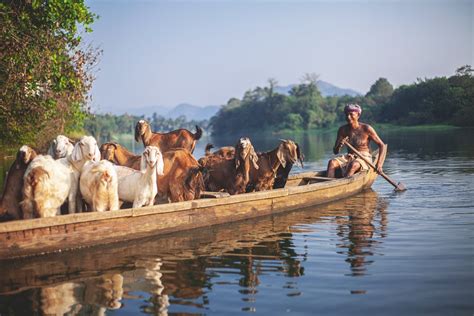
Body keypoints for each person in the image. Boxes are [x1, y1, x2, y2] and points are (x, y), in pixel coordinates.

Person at [327, 103, 387, 178]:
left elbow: (382, 146)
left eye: (351, 114)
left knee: (353, 165)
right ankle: (329, 183)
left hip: (364, 158)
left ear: (358, 115)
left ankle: (345, 183)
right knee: (331, 162)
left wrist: (379, 165)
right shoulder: (342, 130)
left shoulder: (366, 128)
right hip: (349, 157)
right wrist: (339, 145)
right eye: (347, 115)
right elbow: (335, 151)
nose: (348, 117)